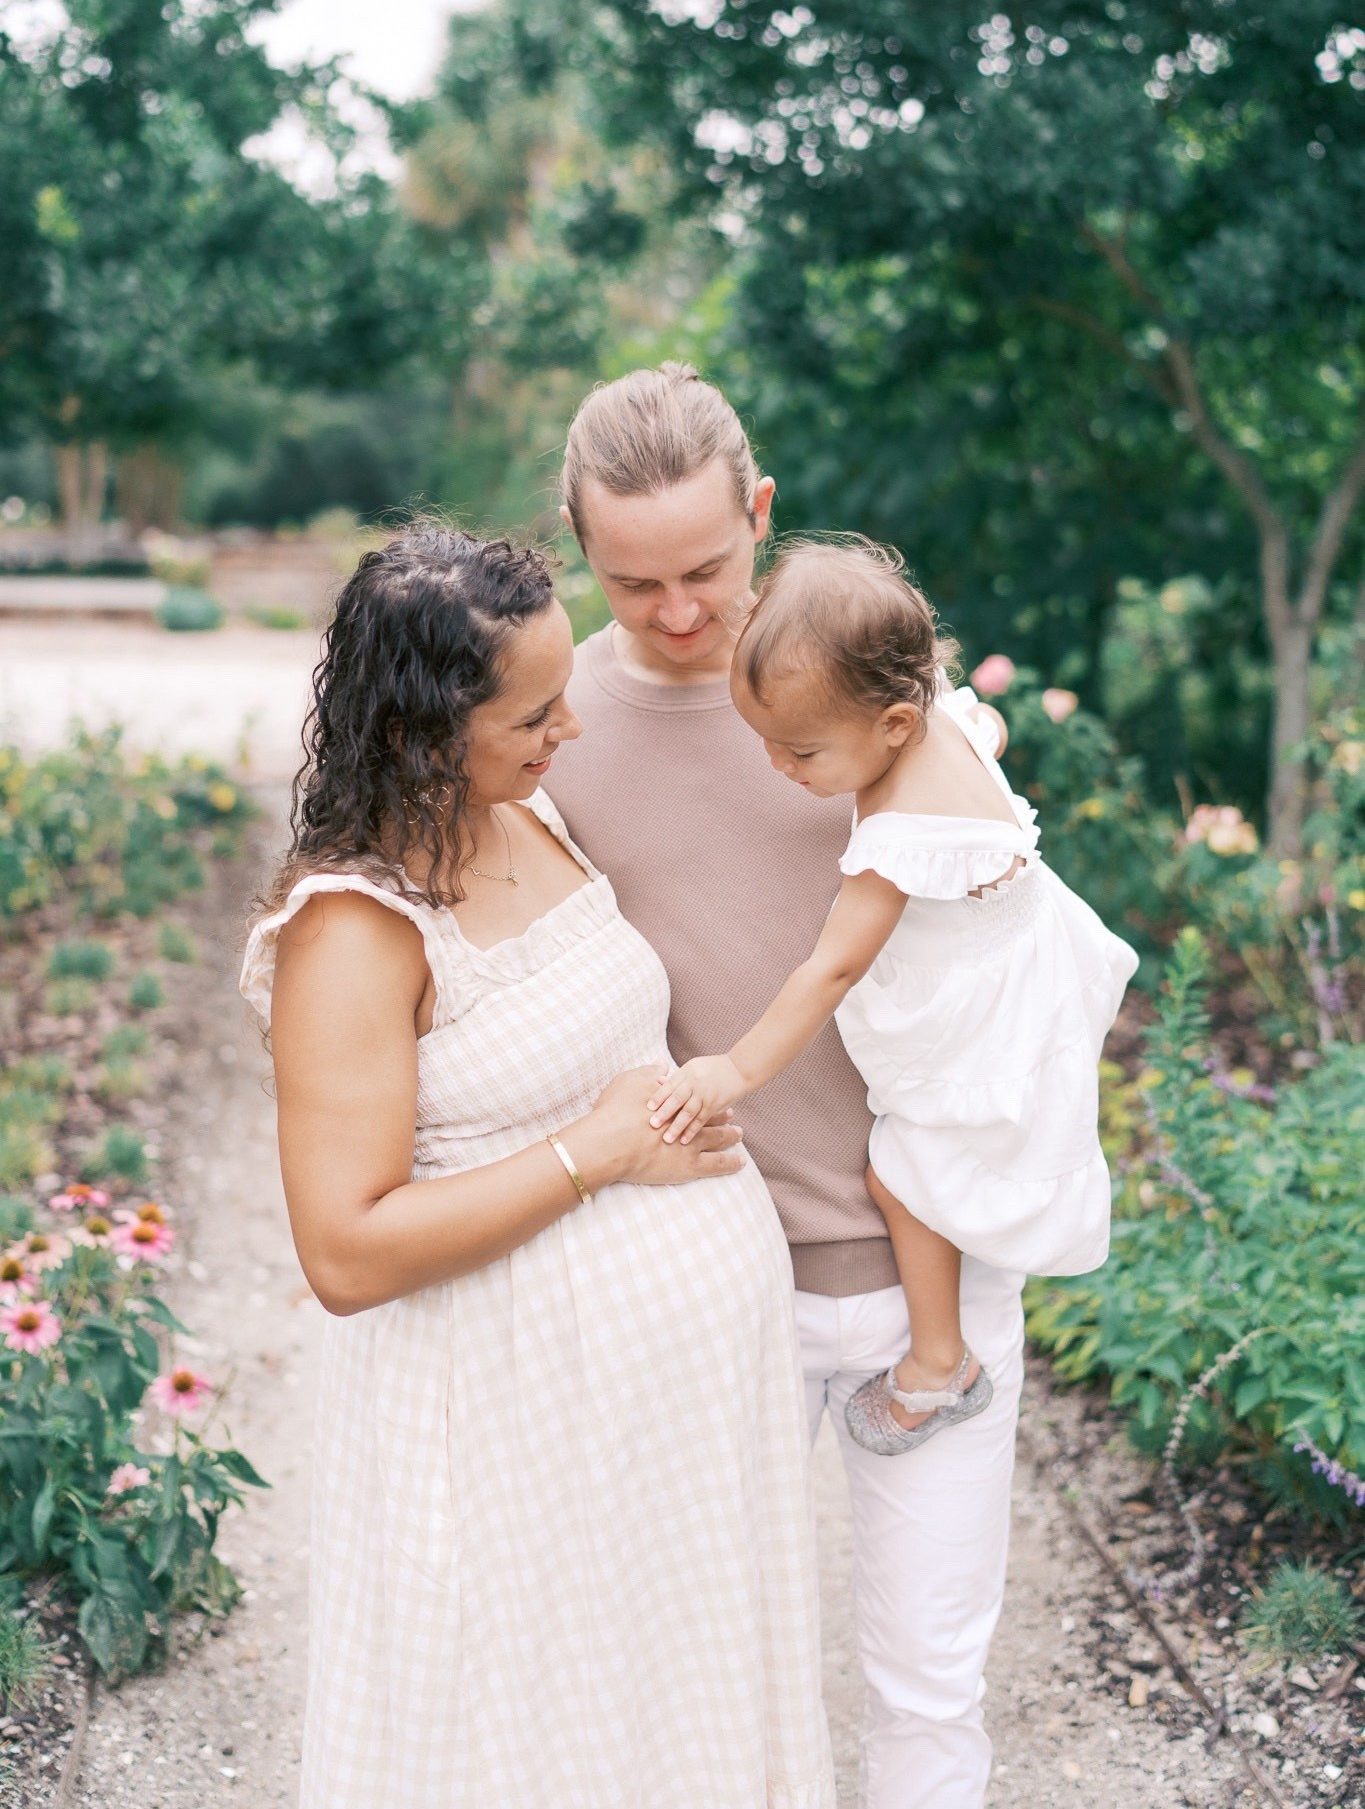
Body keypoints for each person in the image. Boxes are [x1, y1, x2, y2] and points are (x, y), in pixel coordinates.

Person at [240, 525, 835, 1809]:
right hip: (505, 1427)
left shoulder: (533, 808)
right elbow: (345, 1251)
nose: (570, 726)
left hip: (661, 1437)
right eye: (534, 711)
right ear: (422, 729)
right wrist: (596, 1153)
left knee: (662, 1733)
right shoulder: (352, 928)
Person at [545, 362, 1020, 1809]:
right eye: (634, 585)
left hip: (927, 1262)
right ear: (581, 554)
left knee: (928, 1684)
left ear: (761, 512)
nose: (679, 611)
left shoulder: (880, 704)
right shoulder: (549, 725)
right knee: (679, 1684)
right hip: (703, 1272)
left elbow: (996, 938)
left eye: (705, 566)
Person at [650, 538, 1138, 1456]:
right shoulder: (945, 716)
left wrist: (734, 1068)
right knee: (930, 1159)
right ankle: (944, 1340)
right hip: (1022, 940)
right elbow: (983, 728)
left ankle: (939, 1361)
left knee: (905, 1168)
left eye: (798, 749)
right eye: (762, 740)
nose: (777, 768)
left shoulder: (897, 840)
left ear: (893, 726)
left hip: (983, 1003)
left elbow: (828, 969)